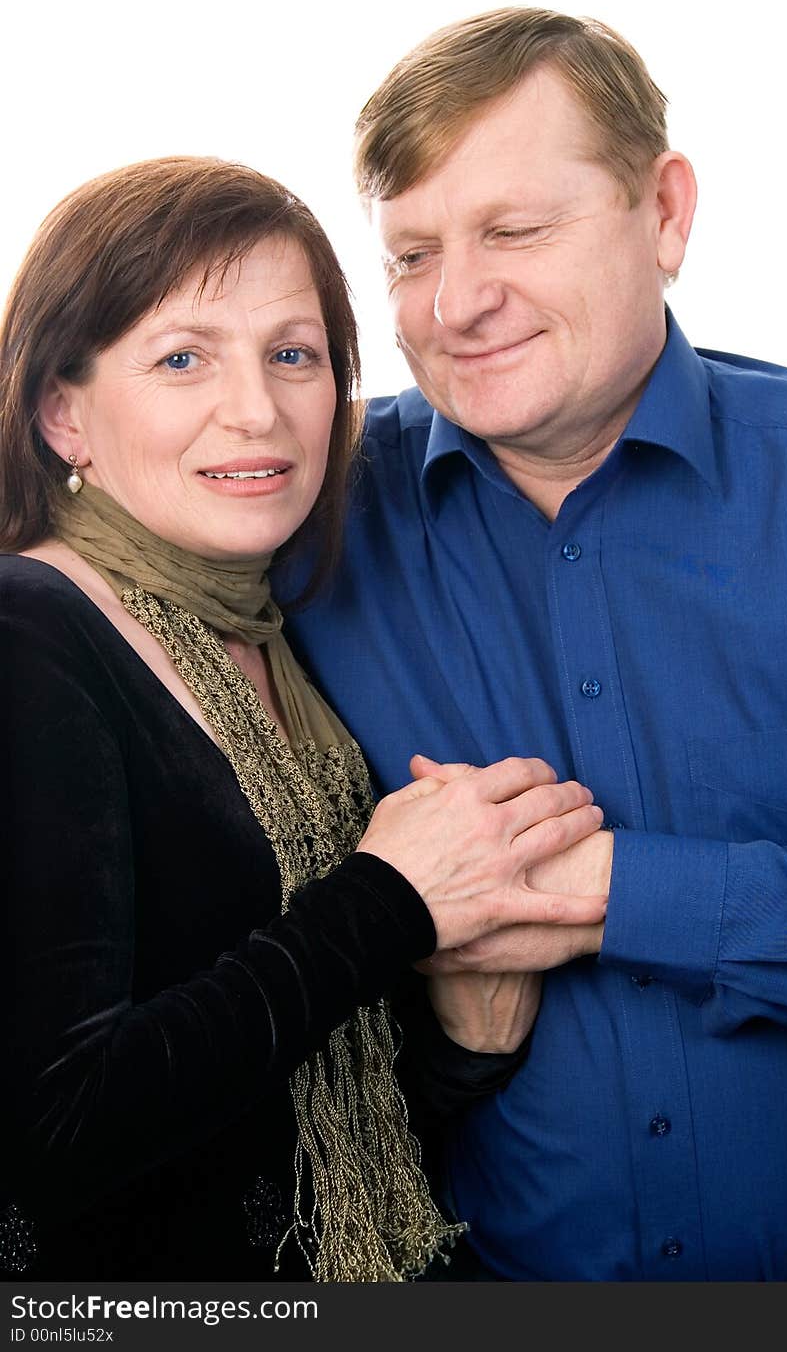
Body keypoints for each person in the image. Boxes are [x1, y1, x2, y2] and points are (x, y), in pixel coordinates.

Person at [282, 7, 787, 1281]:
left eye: (514, 230)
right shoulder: (304, 514)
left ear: (663, 214)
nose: (456, 303)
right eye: (409, 255)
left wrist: (613, 893)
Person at [0, 155, 607, 1283]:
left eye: (293, 355)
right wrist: (390, 900)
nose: (257, 408)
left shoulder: (284, 631)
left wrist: (464, 1042)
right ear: (62, 412)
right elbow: (56, 1127)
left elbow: (299, 1125)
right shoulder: (30, 627)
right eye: (183, 358)